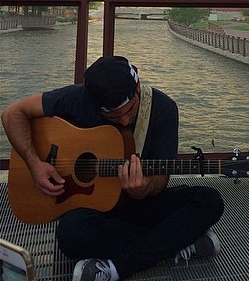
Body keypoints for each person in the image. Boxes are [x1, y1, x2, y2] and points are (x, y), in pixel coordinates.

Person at [1, 55, 225, 281]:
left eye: (130, 111)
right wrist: (34, 163)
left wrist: (145, 188)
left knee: (209, 200)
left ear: (137, 87)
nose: (125, 121)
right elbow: (13, 114)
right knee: (71, 235)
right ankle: (175, 241)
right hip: (96, 212)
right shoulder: (77, 98)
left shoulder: (163, 109)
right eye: (113, 115)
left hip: (141, 206)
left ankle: (115, 268)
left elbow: (160, 179)